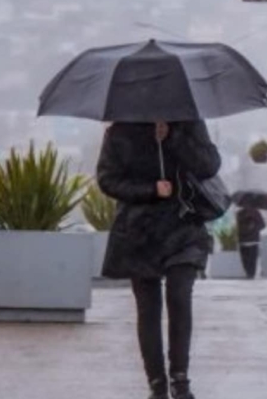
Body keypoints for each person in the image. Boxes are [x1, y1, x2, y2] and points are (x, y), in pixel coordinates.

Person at [96, 120, 221, 399]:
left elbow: (209, 165)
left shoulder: (189, 122)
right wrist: (151, 189)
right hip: (139, 231)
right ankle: (156, 383)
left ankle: (180, 379)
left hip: (183, 226)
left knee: (179, 296)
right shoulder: (119, 132)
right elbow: (107, 179)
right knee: (148, 308)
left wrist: (174, 137)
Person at [234, 204, 265, 279]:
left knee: (246, 261)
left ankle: (249, 274)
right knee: (252, 261)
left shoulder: (239, 213)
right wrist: (255, 227)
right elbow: (262, 225)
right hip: (252, 241)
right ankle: (250, 275)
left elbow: (237, 227)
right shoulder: (256, 213)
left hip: (244, 241)